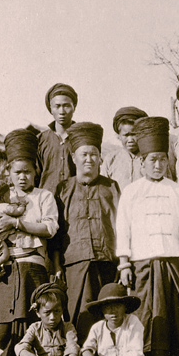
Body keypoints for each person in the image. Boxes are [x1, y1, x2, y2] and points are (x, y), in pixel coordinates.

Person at [117, 116, 179, 356]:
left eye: (163, 159)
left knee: (175, 319)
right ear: (142, 162)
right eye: (153, 160)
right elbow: (123, 228)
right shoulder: (131, 192)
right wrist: (124, 262)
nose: (158, 165)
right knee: (146, 318)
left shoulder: (177, 190)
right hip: (143, 264)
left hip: (173, 261)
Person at [0, 128, 60, 356]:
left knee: (31, 326)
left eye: (28, 171)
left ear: (36, 171)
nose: (23, 176)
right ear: (9, 173)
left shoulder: (44, 197)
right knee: (0, 330)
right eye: (17, 172)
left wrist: (16, 223)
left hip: (32, 267)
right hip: (4, 268)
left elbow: (49, 229)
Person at [54, 122, 120, 337]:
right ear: (74, 158)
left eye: (94, 154)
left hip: (106, 262)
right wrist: (57, 264)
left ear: (100, 158)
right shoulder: (63, 189)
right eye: (84, 154)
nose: (89, 159)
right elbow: (57, 232)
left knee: (107, 313)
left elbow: (120, 225)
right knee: (79, 315)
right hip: (75, 264)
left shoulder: (111, 187)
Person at [35, 83, 78, 195]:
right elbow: (35, 176)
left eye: (66, 106)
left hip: (75, 200)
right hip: (46, 201)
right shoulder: (40, 140)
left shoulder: (82, 139)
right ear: (51, 109)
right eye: (57, 106)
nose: (62, 111)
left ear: (74, 107)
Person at [102, 106, 148, 190]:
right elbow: (104, 190)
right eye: (126, 135)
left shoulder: (150, 159)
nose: (130, 140)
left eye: (134, 134)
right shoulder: (110, 160)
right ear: (118, 136)